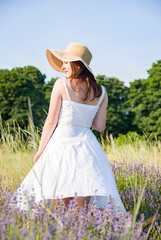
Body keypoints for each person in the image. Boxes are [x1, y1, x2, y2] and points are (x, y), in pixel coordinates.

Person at [11, 42, 126, 214]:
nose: (63, 66)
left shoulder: (61, 84)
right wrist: (85, 116)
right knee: (82, 207)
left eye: (66, 62)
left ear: (77, 64)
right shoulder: (101, 92)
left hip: (62, 145)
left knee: (62, 204)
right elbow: (100, 126)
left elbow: (51, 121)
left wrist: (40, 150)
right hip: (87, 147)